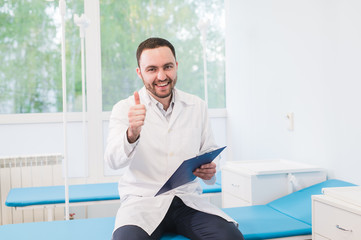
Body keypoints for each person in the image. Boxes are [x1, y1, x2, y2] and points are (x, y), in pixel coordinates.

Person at [104, 37, 244, 240]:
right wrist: (132, 133)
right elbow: (112, 161)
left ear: (176, 66)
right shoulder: (124, 108)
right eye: (152, 69)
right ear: (139, 72)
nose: (161, 76)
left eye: (167, 67)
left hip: (187, 201)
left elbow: (210, 154)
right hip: (142, 203)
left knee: (231, 237)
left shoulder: (197, 106)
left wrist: (211, 170)